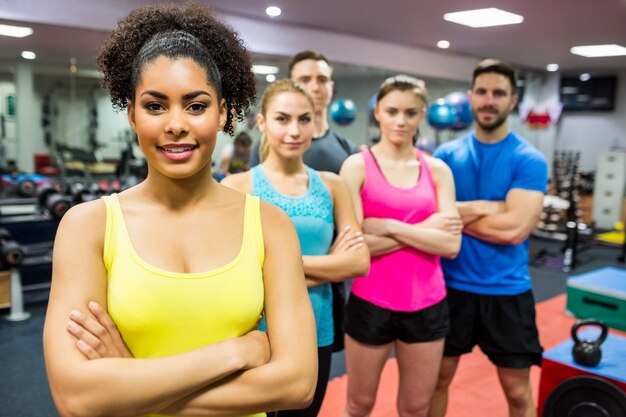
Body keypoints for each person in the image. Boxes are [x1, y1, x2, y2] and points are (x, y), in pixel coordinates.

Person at [42, 4, 317, 417]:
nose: (175, 124)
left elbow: (296, 384)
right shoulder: (88, 227)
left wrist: (130, 385)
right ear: (132, 114)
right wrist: (236, 352)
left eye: (196, 105)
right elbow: (77, 399)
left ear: (223, 113)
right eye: (155, 106)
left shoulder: (269, 224)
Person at [223, 79, 370, 417]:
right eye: (282, 119)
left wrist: (273, 268)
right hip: (255, 333)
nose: (294, 130)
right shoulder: (237, 187)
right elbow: (235, 272)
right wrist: (330, 263)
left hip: (314, 329)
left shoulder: (333, 186)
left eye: (305, 119)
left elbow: (359, 261)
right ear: (262, 123)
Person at [429, 59, 548, 417]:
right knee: (435, 382)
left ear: (513, 101)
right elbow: (435, 220)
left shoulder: (529, 159)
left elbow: (514, 231)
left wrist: (458, 213)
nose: (488, 100)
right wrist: (495, 206)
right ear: (470, 97)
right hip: (450, 289)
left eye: (498, 93)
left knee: (516, 393)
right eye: (482, 92)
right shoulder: (445, 156)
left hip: (507, 291)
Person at [340, 75, 462, 417]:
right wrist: (425, 231)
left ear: (421, 114)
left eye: (410, 112)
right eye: (392, 111)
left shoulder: (437, 170)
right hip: (370, 301)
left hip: (427, 303)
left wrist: (390, 226)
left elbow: (451, 243)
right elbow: (353, 246)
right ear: (377, 112)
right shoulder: (356, 166)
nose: (400, 120)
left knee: (416, 407)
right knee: (358, 404)